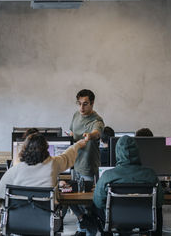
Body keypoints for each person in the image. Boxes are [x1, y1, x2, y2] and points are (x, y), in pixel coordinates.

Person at [92, 135, 163, 235]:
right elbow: (159, 201)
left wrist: (114, 208)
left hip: (116, 218)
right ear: (137, 152)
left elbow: (98, 202)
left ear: (117, 153)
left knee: (97, 208)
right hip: (144, 219)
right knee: (157, 210)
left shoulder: (107, 176)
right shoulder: (150, 174)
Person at [0, 133, 87, 198]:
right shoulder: (53, 163)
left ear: (24, 149)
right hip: (45, 223)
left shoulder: (16, 169)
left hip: (19, 222)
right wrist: (77, 145)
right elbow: (66, 157)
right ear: (46, 149)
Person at [69, 89, 104, 236]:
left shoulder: (97, 120)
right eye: (79, 104)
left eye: (85, 104)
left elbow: (97, 132)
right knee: (69, 198)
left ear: (92, 103)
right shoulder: (76, 115)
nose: (82, 108)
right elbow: (72, 131)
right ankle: (81, 225)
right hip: (73, 164)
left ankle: (90, 231)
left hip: (88, 166)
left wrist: (89, 135)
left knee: (87, 204)